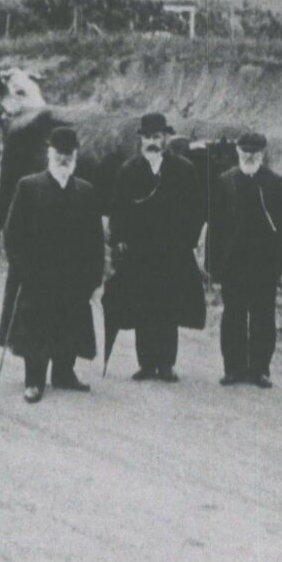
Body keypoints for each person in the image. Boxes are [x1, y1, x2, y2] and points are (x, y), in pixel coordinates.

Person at [0, 125, 104, 404]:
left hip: (73, 276)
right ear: (49, 153)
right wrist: (23, 270)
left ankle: (63, 374)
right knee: (36, 326)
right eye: (59, 153)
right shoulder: (28, 186)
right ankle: (34, 380)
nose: (64, 158)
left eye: (69, 154)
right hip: (37, 275)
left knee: (70, 323)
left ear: (76, 156)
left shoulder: (86, 191)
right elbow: (12, 234)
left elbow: (95, 240)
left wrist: (95, 279)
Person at [104, 112, 206, 382]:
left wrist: (187, 242)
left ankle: (166, 364)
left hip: (172, 252)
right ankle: (146, 364)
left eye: (157, 137)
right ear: (141, 140)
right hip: (139, 253)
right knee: (143, 306)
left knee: (168, 307)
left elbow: (196, 210)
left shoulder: (184, 170)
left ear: (166, 139)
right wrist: (118, 239)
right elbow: (117, 208)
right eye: (147, 137)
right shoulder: (128, 171)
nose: (151, 142)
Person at [204, 130, 282, 388]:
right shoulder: (225, 181)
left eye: (254, 152)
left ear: (263, 154)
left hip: (264, 264)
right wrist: (212, 260)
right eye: (245, 151)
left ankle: (260, 369)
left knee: (263, 317)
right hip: (233, 262)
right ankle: (233, 368)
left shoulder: (274, 183)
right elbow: (215, 223)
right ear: (237, 151)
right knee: (233, 315)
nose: (249, 156)